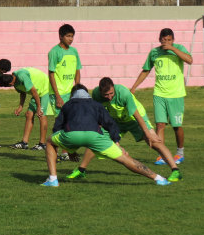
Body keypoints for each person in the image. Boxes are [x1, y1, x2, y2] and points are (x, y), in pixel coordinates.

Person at [41, 84, 170, 187]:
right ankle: (158, 178)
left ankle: (53, 179)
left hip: (72, 135)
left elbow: (58, 127)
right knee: (125, 160)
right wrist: (117, 143)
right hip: (96, 136)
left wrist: (69, 150)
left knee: (50, 142)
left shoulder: (67, 105)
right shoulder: (96, 105)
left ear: (72, 95)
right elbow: (110, 124)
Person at [68, 77, 181, 182]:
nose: (109, 97)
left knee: (154, 142)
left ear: (114, 88)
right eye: (106, 95)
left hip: (134, 119)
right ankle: (81, 171)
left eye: (111, 93)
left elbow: (137, 115)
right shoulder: (97, 95)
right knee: (97, 139)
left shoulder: (123, 93)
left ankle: (175, 171)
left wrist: (148, 133)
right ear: (101, 92)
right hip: (116, 120)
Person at [130, 28, 193, 166]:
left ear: (173, 40)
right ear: (159, 39)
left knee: (176, 126)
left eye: (169, 40)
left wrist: (173, 49)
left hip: (176, 94)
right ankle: (162, 155)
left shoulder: (179, 49)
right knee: (160, 125)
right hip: (159, 94)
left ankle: (180, 153)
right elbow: (146, 70)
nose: (166, 42)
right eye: (164, 40)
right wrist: (134, 87)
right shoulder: (154, 52)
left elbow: (189, 60)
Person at [48, 24, 82, 161]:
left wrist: (77, 90)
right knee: (61, 122)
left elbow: (77, 71)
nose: (71, 39)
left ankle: (65, 152)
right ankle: (56, 151)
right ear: (60, 36)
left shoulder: (74, 52)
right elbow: (51, 74)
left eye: (72, 36)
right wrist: (57, 96)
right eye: (68, 36)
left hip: (71, 93)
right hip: (58, 94)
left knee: (71, 122)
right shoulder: (54, 52)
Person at [0, 68, 50, 151]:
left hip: (44, 88)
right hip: (36, 91)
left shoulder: (21, 76)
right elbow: (23, 92)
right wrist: (20, 107)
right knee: (29, 114)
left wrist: (39, 107)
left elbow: (34, 92)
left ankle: (42, 144)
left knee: (41, 115)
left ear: (10, 83)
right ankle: (24, 143)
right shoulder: (14, 80)